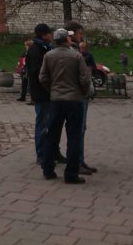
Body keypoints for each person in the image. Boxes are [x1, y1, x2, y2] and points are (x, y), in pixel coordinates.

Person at [39, 28, 92, 184]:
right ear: (66, 40)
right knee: (74, 137)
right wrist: (81, 92)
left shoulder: (48, 56)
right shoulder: (76, 56)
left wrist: (52, 90)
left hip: (56, 99)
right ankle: (71, 174)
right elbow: (84, 78)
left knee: (52, 135)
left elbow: (43, 77)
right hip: (74, 100)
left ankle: (48, 169)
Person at [66, 21, 97, 175]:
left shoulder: (73, 48)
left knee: (80, 129)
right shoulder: (71, 49)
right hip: (76, 94)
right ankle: (76, 162)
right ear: (72, 33)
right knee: (77, 129)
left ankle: (80, 160)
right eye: (79, 32)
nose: (81, 35)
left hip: (75, 93)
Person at [25, 24, 53, 165]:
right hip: (42, 94)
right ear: (43, 34)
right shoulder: (37, 50)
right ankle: (41, 154)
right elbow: (38, 75)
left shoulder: (43, 48)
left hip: (45, 93)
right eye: (49, 33)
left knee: (49, 124)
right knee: (42, 124)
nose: (51, 35)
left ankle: (51, 152)